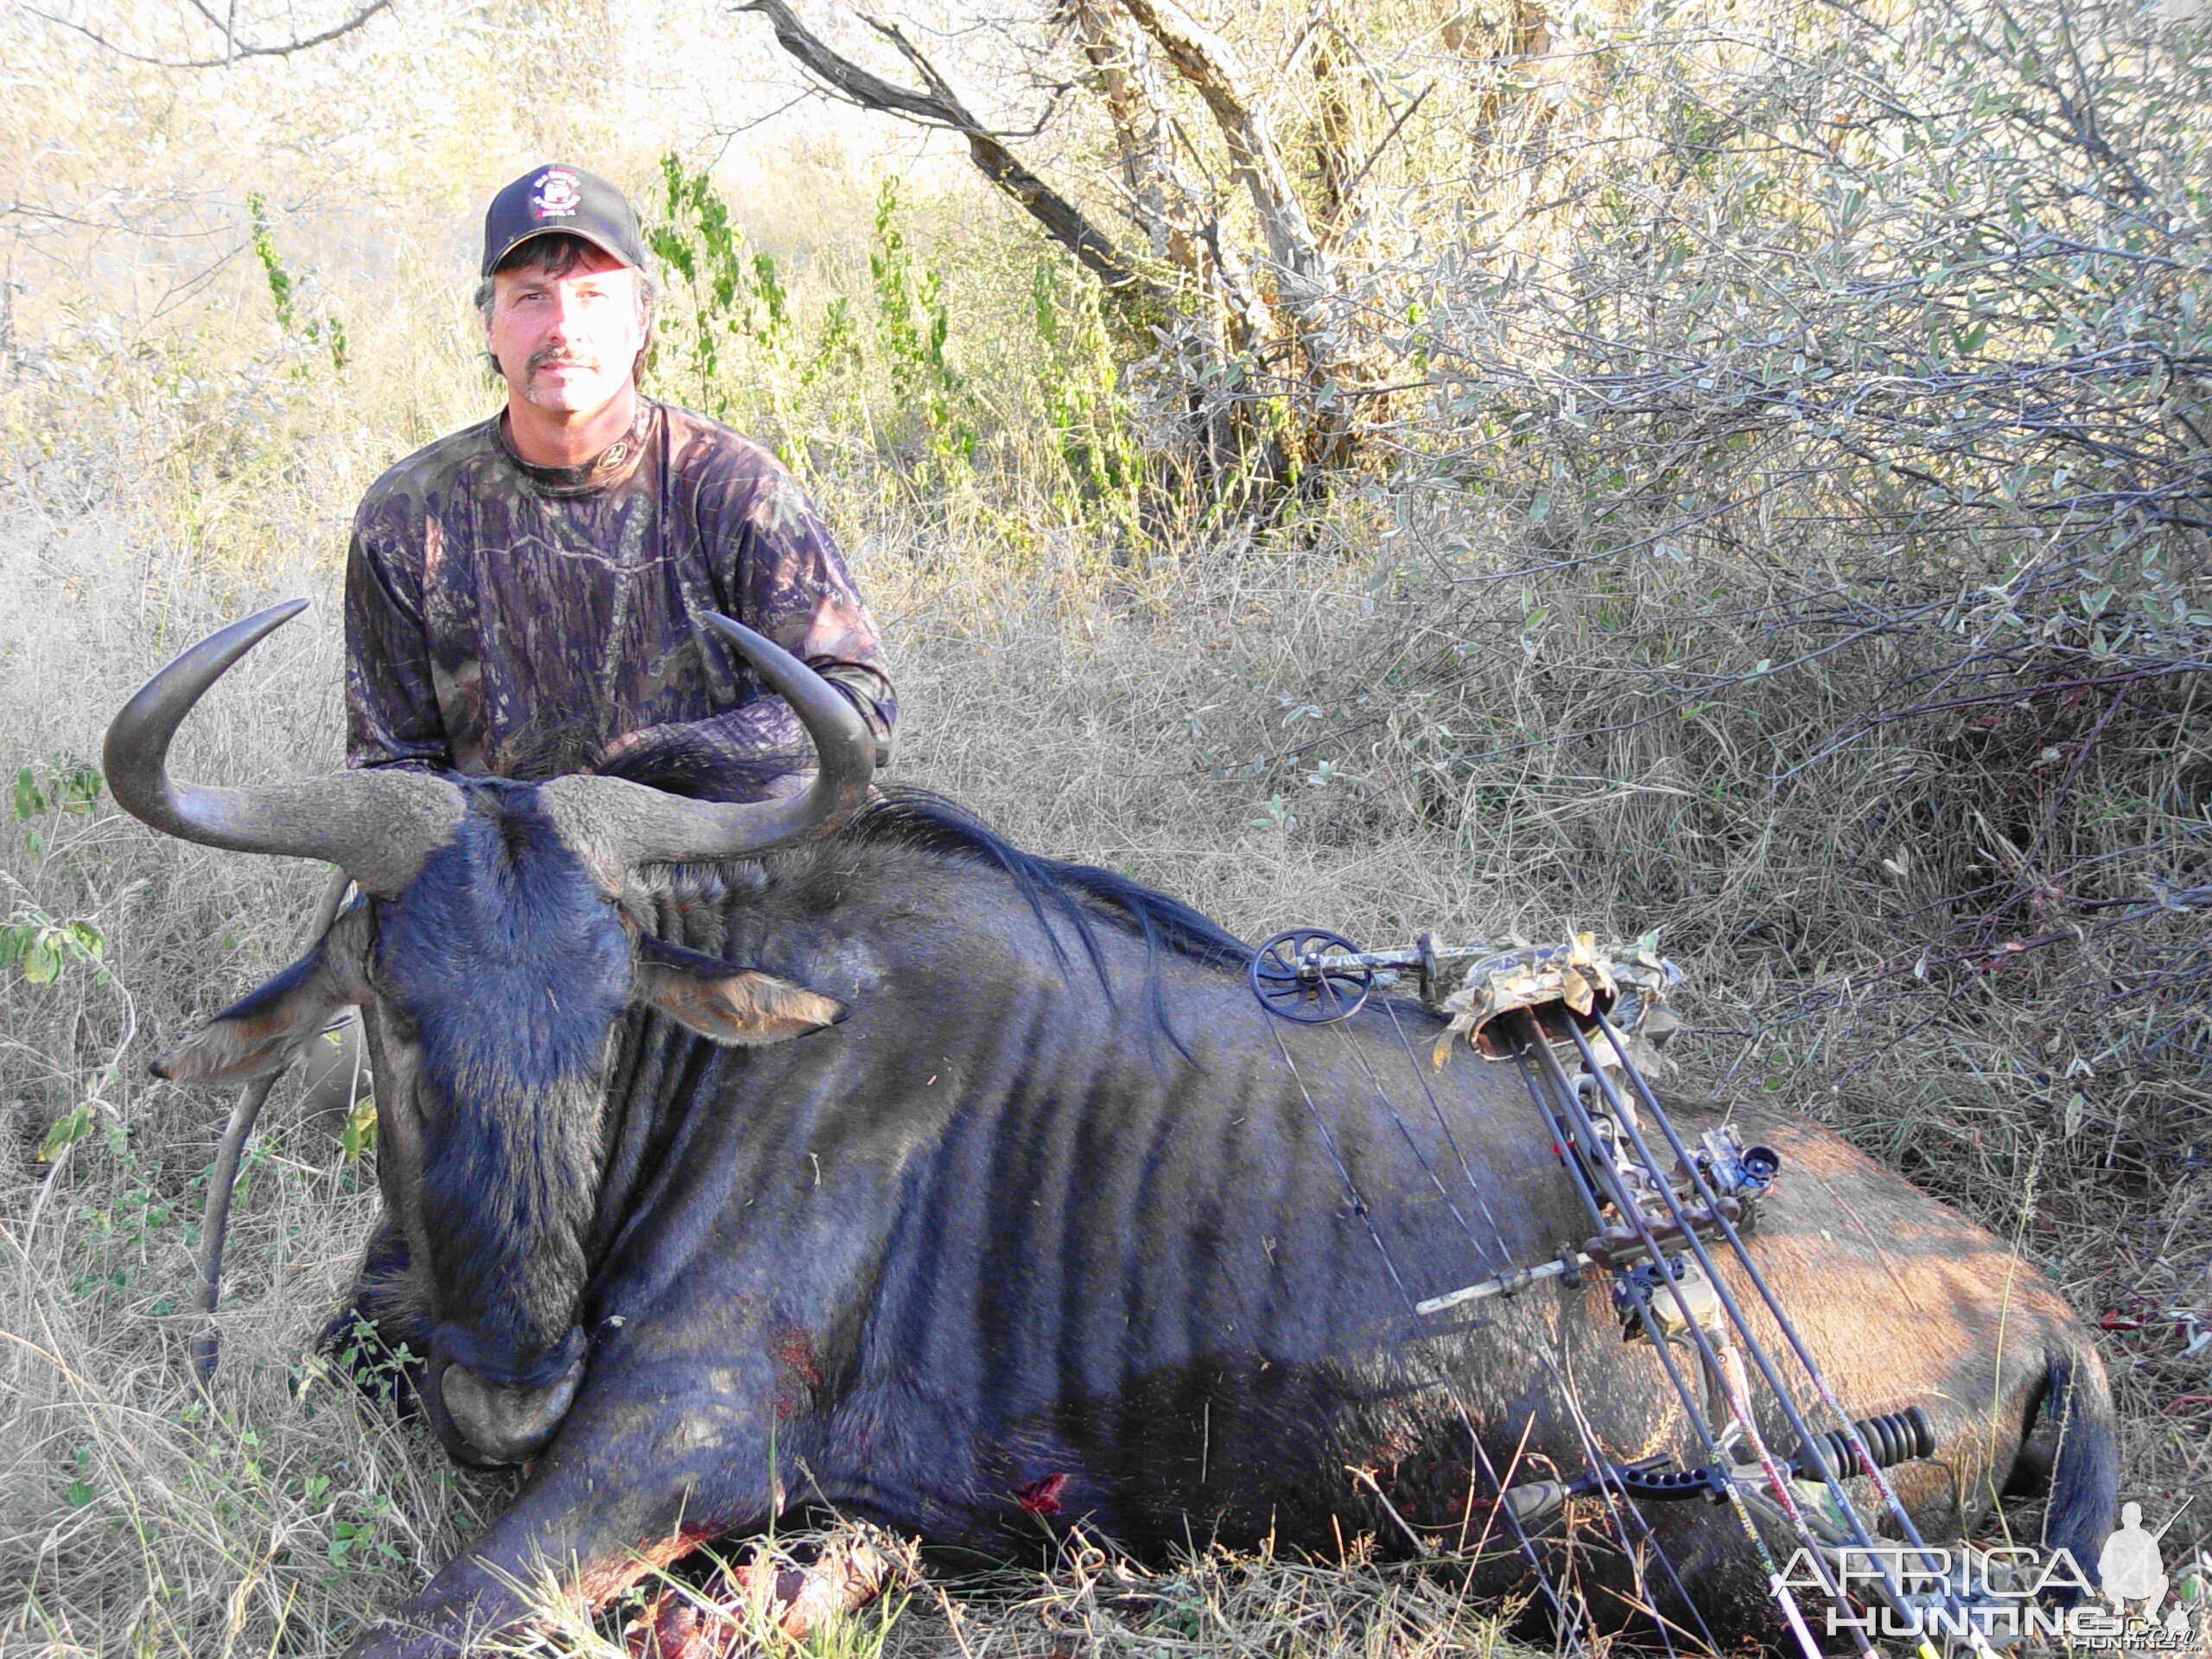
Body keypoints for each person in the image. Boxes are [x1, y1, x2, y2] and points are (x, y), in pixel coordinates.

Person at [346, 162, 894, 800]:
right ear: (488, 329)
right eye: (530, 296)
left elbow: (859, 706)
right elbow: (392, 767)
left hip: (721, 856)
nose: (562, 328)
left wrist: (649, 768)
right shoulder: (409, 513)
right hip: (509, 871)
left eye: (592, 297)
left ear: (641, 325)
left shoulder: (729, 485)